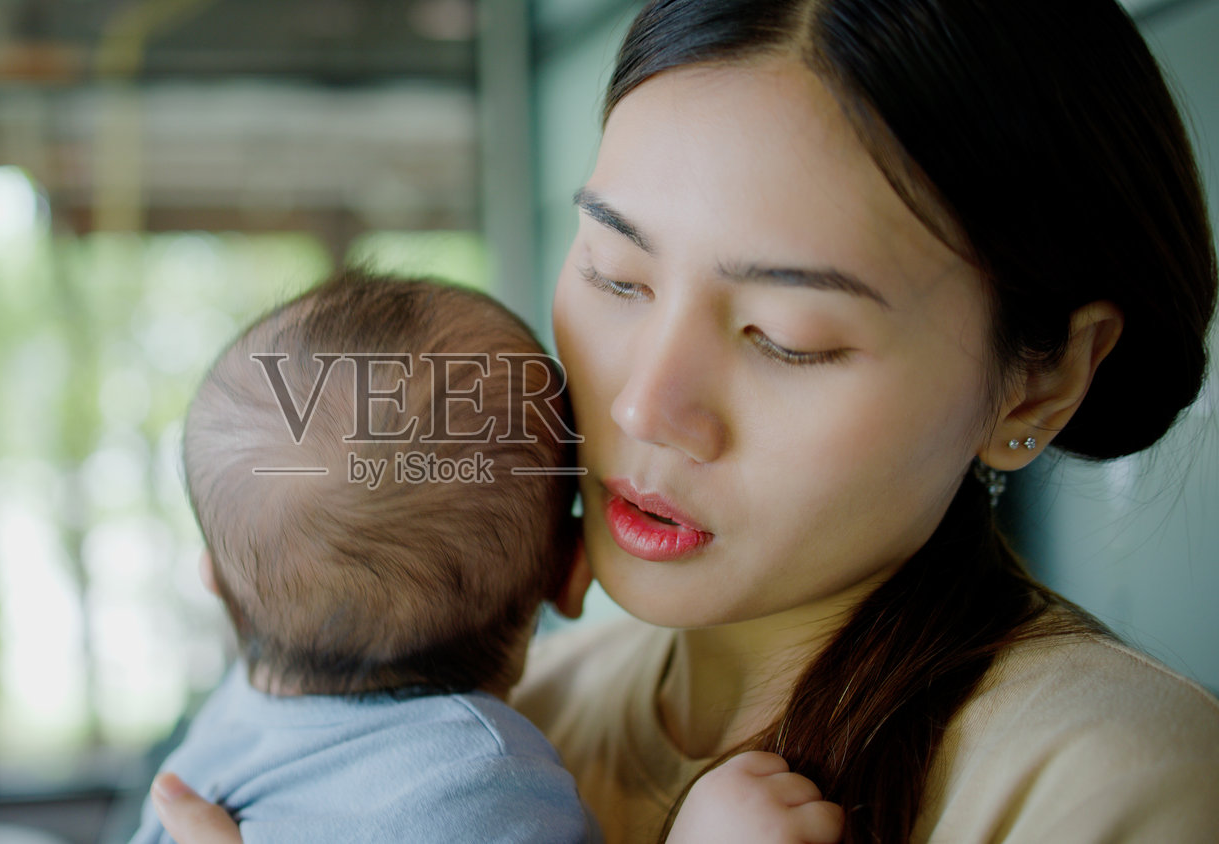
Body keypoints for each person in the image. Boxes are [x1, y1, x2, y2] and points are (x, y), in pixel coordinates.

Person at [149, 1, 1219, 842]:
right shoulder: (501, 717)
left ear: (1037, 383)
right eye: (615, 276)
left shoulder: (1112, 789)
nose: (638, 405)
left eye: (786, 336)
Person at [131, 270, 842, 844]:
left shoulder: (219, 741)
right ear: (572, 571)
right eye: (620, 279)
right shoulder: (478, 787)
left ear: (216, 586)